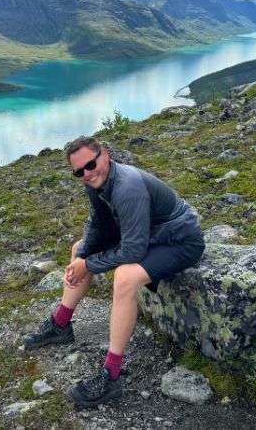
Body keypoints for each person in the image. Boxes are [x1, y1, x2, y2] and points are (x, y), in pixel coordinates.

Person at [23, 136, 205, 407]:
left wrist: (89, 265)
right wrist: (82, 258)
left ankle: (111, 375)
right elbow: (98, 224)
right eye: (79, 171)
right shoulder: (96, 183)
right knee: (78, 249)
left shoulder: (127, 187)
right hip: (151, 235)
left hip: (179, 240)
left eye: (90, 164)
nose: (86, 173)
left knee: (125, 277)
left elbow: (132, 251)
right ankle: (60, 325)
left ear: (104, 155)